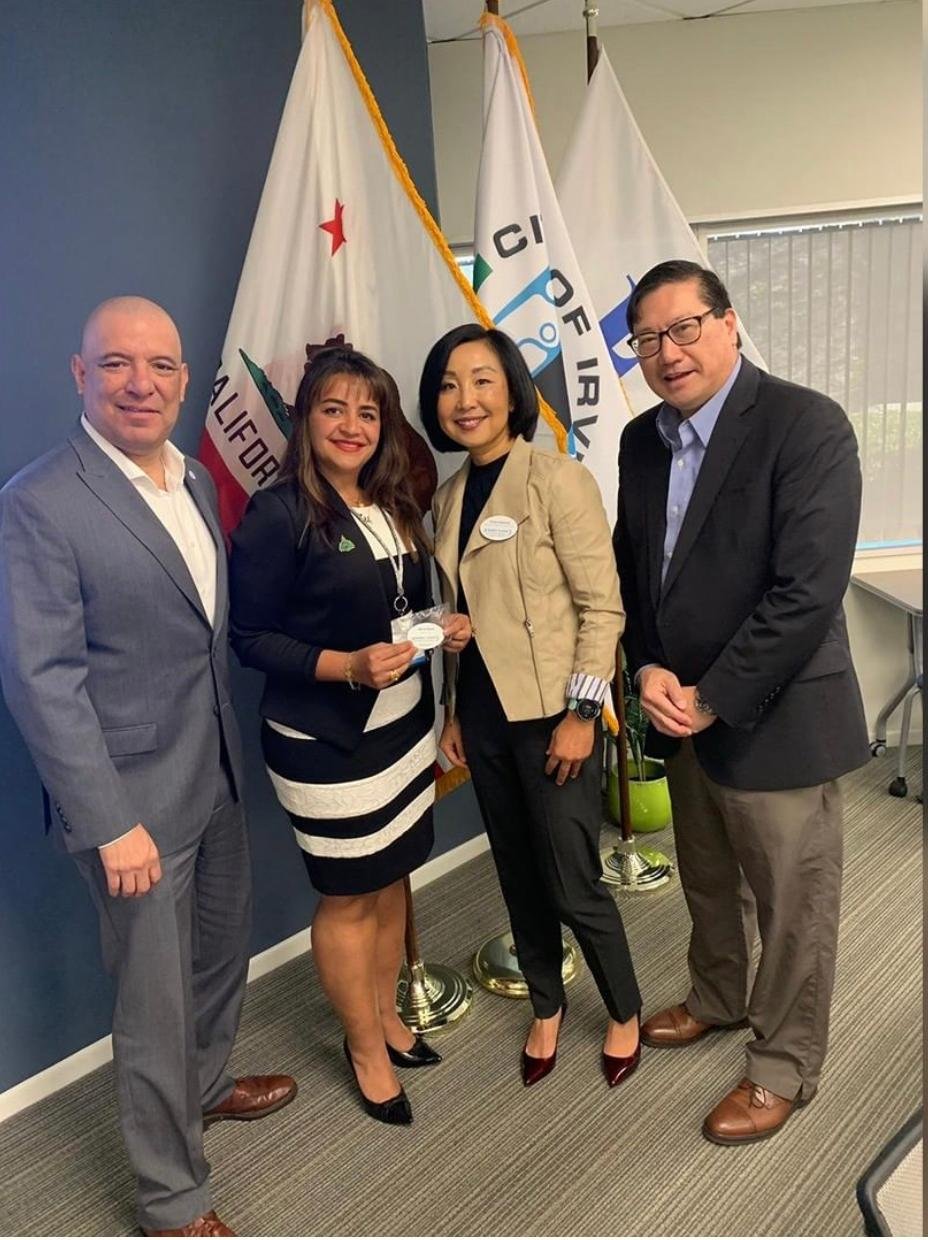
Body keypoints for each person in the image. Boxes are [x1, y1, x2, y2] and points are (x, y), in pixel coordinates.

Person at [0, 297, 296, 1237]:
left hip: (214, 776)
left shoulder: (195, 479)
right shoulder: (38, 502)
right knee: (153, 1004)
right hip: (130, 809)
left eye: (161, 365)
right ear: (80, 375)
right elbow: (41, 680)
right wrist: (108, 821)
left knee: (217, 957)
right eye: (117, 364)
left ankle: (205, 1086)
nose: (141, 383)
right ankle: (172, 1199)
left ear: (182, 378)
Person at [613, 259, 869, 1144]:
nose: (668, 352)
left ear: (727, 324)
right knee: (708, 875)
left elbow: (807, 590)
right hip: (678, 711)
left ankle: (782, 1065)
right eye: (648, 338)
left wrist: (713, 697)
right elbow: (636, 571)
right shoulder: (641, 442)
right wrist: (647, 666)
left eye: (684, 328)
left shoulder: (806, 425)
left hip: (774, 713)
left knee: (793, 903)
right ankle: (719, 996)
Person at [229, 345, 471, 1127]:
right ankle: (364, 1047)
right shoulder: (278, 514)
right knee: (347, 897)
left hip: (403, 730)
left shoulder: (393, 501)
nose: (352, 425)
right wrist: (347, 667)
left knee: (393, 877)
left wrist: (441, 627)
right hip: (326, 743)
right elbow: (250, 638)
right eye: (334, 409)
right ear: (306, 418)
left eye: (368, 413)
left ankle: (388, 1017)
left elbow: (396, 608)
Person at [419, 323, 642, 1089]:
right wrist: (454, 709)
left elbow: (603, 610)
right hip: (483, 716)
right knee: (516, 871)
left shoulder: (556, 480)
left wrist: (582, 715)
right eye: (449, 385)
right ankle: (546, 1003)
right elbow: (467, 616)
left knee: (573, 878)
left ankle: (624, 1010)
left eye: (482, 380)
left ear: (513, 390)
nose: (465, 399)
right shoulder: (447, 499)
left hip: (554, 717)